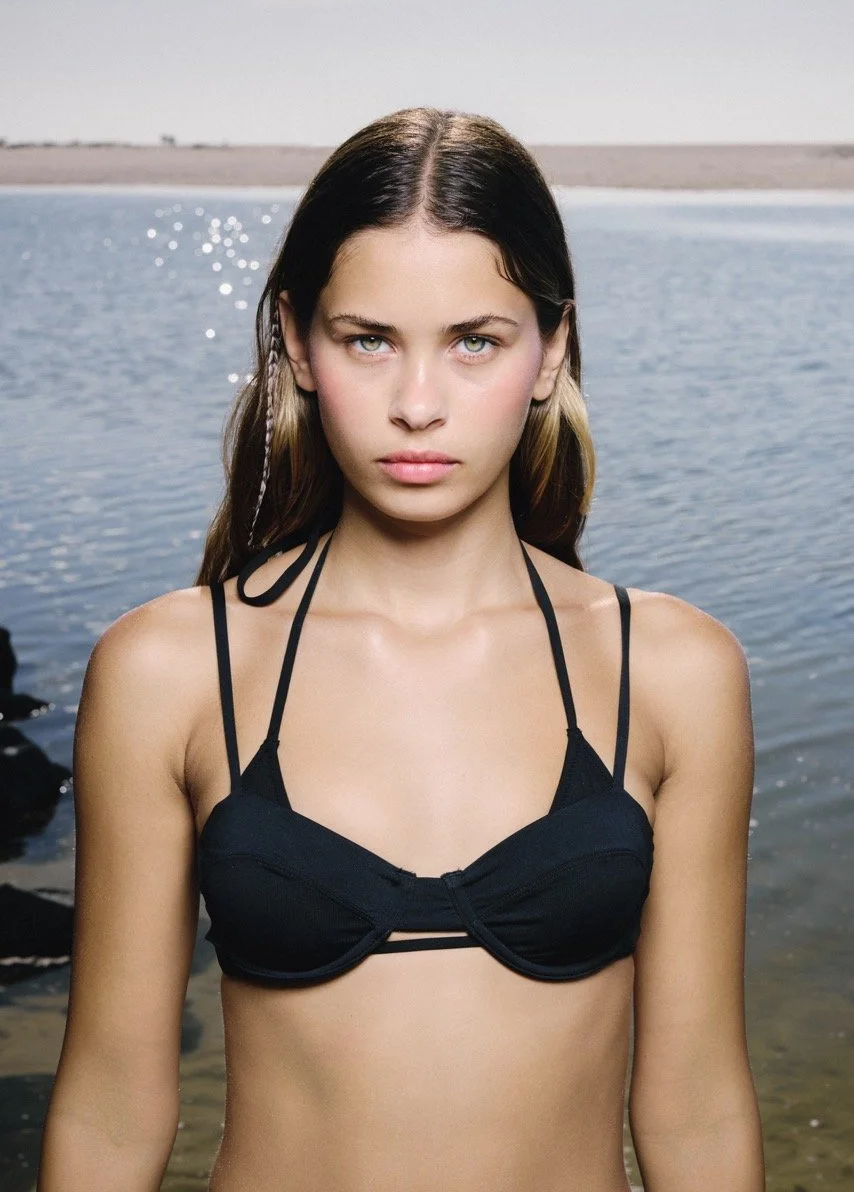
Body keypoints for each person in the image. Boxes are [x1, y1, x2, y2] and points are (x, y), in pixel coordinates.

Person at [38, 106, 765, 1192]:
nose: (417, 404)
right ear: (296, 338)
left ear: (549, 349)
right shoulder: (172, 670)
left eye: (474, 340)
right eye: (367, 338)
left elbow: (697, 1107)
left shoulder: (666, 671)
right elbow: (108, 1108)